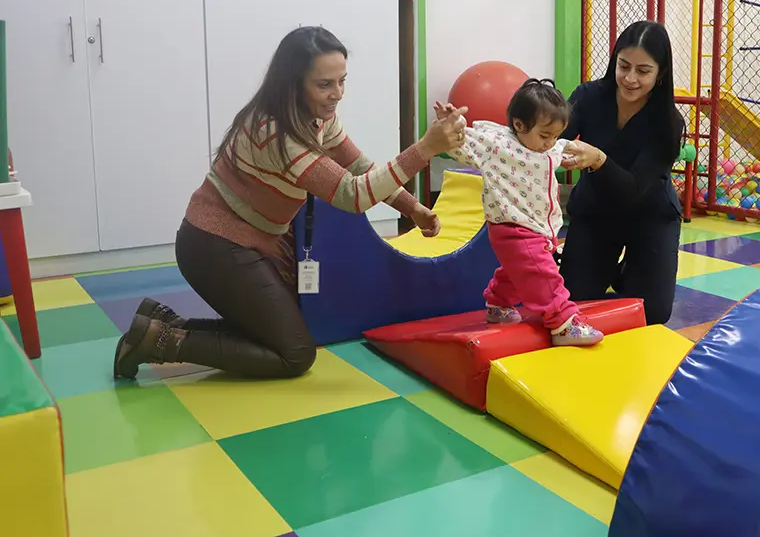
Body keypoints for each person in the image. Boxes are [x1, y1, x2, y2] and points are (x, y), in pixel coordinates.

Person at [112, 27, 468, 380]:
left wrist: (412, 208)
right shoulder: (279, 134)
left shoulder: (314, 118)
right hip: (214, 245)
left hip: (246, 240)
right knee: (294, 354)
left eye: (342, 80)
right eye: (324, 84)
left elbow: (357, 165)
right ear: (293, 83)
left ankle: (164, 325)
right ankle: (158, 343)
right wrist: (425, 149)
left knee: (284, 327)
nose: (337, 94)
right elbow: (353, 195)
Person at [434, 78, 604, 346]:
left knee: (519, 271)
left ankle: (498, 304)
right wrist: (448, 126)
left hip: (541, 226)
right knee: (542, 275)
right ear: (519, 125)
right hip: (511, 226)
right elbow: (459, 144)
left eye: (555, 136)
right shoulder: (497, 146)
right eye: (545, 135)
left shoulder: (550, 145)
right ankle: (562, 324)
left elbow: (565, 149)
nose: (550, 143)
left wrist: (586, 155)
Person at [558, 20, 685, 326]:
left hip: (650, 216)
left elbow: (634, 188)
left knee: (652, 313)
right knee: (572, 301)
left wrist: (598, 158)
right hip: (595, 213)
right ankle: (604, 266)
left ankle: (632, 270)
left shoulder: (668, 123)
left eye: (643, 71)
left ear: (660, 74)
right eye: (623, 65)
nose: (629, 78)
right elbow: (551, 134)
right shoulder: (588, 96)